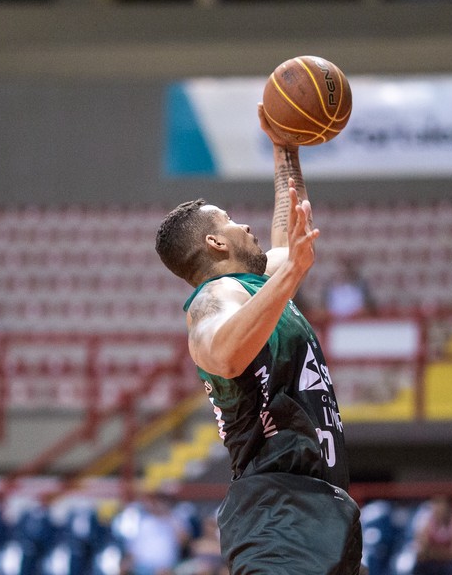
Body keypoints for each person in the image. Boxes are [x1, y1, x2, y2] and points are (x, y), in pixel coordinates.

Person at [154, 103, 361, 574]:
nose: (244, 225)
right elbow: (223, 355)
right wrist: (290, 278)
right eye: (229, 220)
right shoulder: (214, 297)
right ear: (215, 243)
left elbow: (289, 238)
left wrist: (286, 148)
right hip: (278, 511)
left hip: (323, 505)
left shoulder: (258, 285)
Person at [123, 492, 192, 575]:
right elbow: (133, 551)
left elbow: (184, 542)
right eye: (158, 502)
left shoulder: (176, 520)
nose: (160, 505)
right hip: (143, 567)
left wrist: (169, 518)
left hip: (169, 567)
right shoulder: (143, 522)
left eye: (164, 502)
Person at [412, 494, 452, 575]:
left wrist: (433, 553)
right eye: (436, 503)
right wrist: (445, 552)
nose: (438, 508)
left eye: (442, 504)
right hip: (432, 564)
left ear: (449, 506)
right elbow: (421, 551)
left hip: (450, 565)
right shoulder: (426, 521)